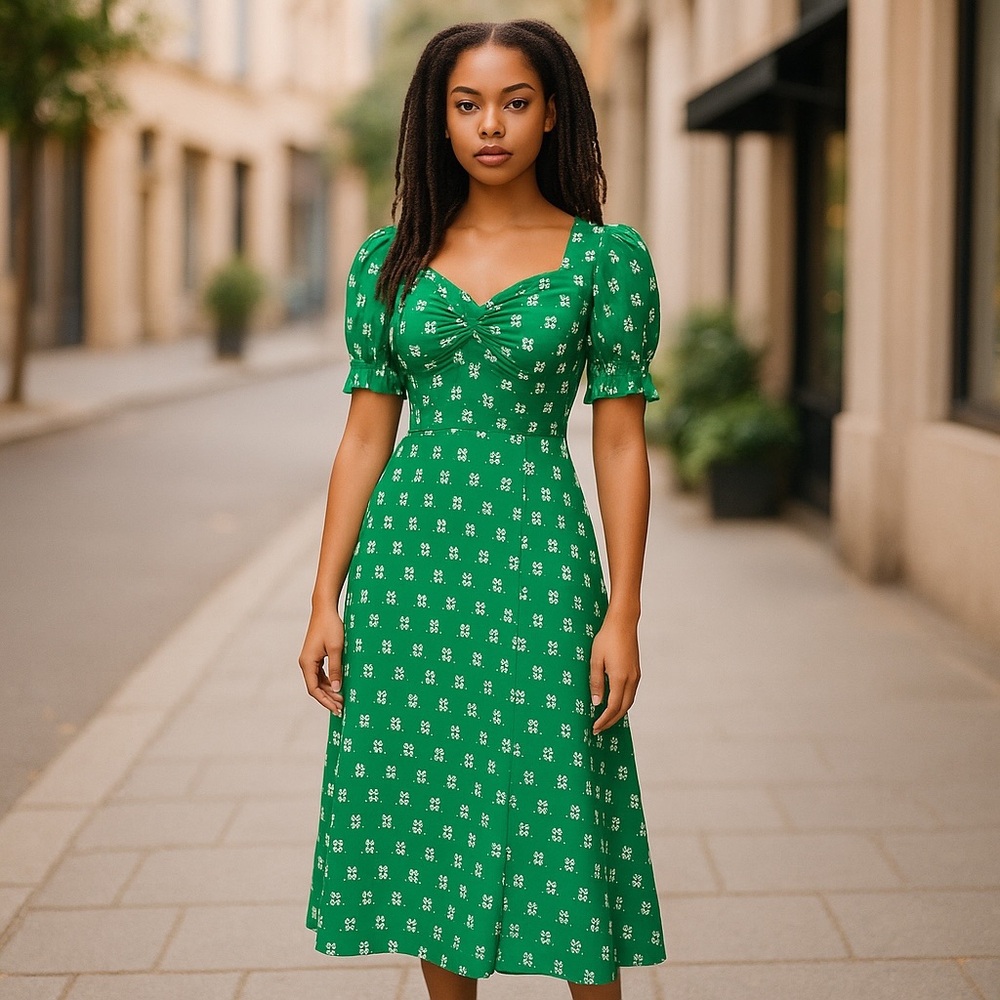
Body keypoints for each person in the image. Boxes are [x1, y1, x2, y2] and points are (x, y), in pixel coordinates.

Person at [299, 18, 666, 1000]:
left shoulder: (603, 258)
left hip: (541, 558)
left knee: (562, 800)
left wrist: (621, 610)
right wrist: (326, 594)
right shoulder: (390, 258)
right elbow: (366, 436)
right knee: (435, 816)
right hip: (409, 571)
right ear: (439, 117)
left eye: (513, 102)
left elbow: (620, 439)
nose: (489, 124)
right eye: (467, 104)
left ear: (551, 115)